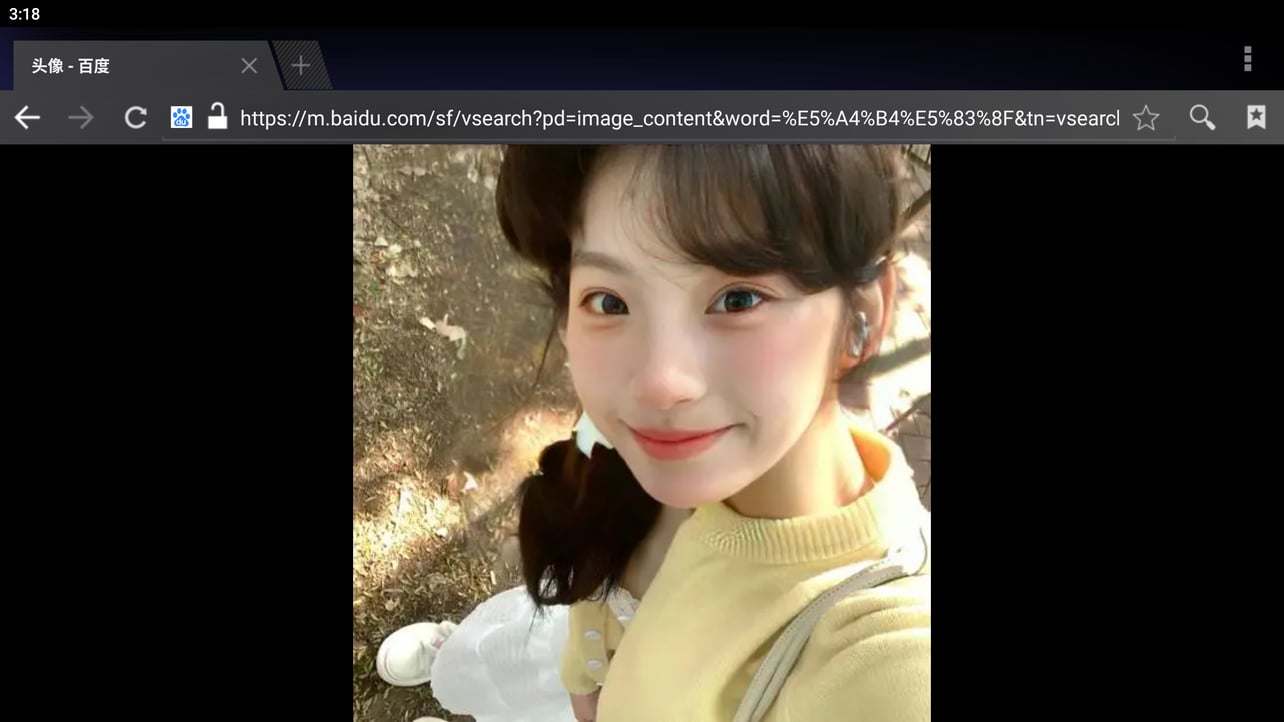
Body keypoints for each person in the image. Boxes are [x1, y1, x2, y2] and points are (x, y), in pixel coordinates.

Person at [380, 143, 930, 722]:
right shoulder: (658, 438)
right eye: (610, 300)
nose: (659, 382)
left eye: (739, 298)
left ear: (863, 314)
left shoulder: (882, 654)